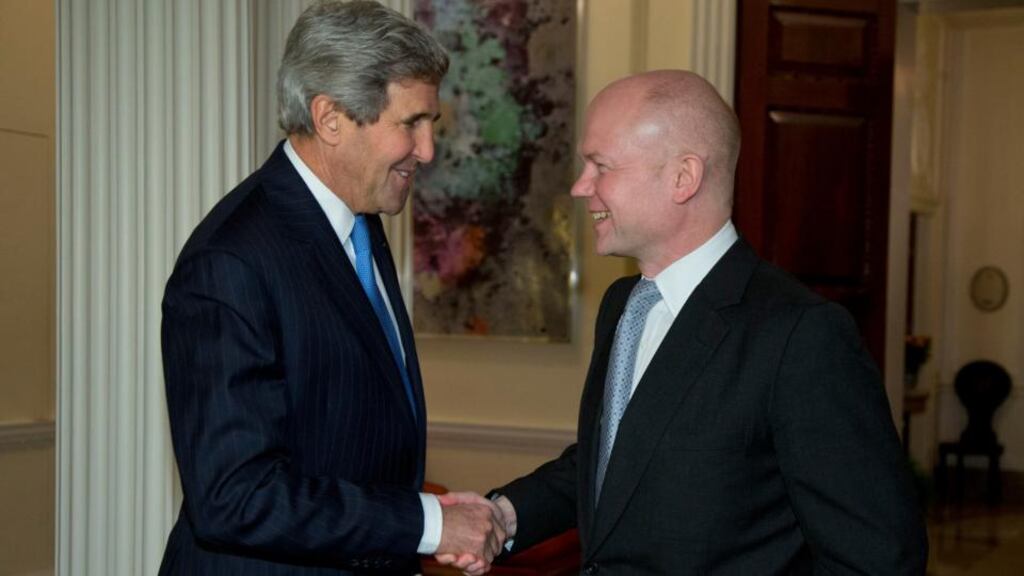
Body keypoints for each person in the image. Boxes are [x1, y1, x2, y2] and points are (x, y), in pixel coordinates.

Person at [440, 70, 928, 574]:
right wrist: (503, 514)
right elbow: (619, 461)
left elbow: (877, 558)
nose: (581, 186)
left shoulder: (801, 335)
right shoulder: (622, 305)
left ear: (683, 178)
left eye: (599, 165)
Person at [159, 2, 504, 574]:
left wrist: (421, 515)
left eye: (430, 125)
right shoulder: (230, 261)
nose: (428, 151)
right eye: (410, 123)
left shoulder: (361, 219)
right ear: (330, 118)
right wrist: (427, 523)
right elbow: (235, 496)